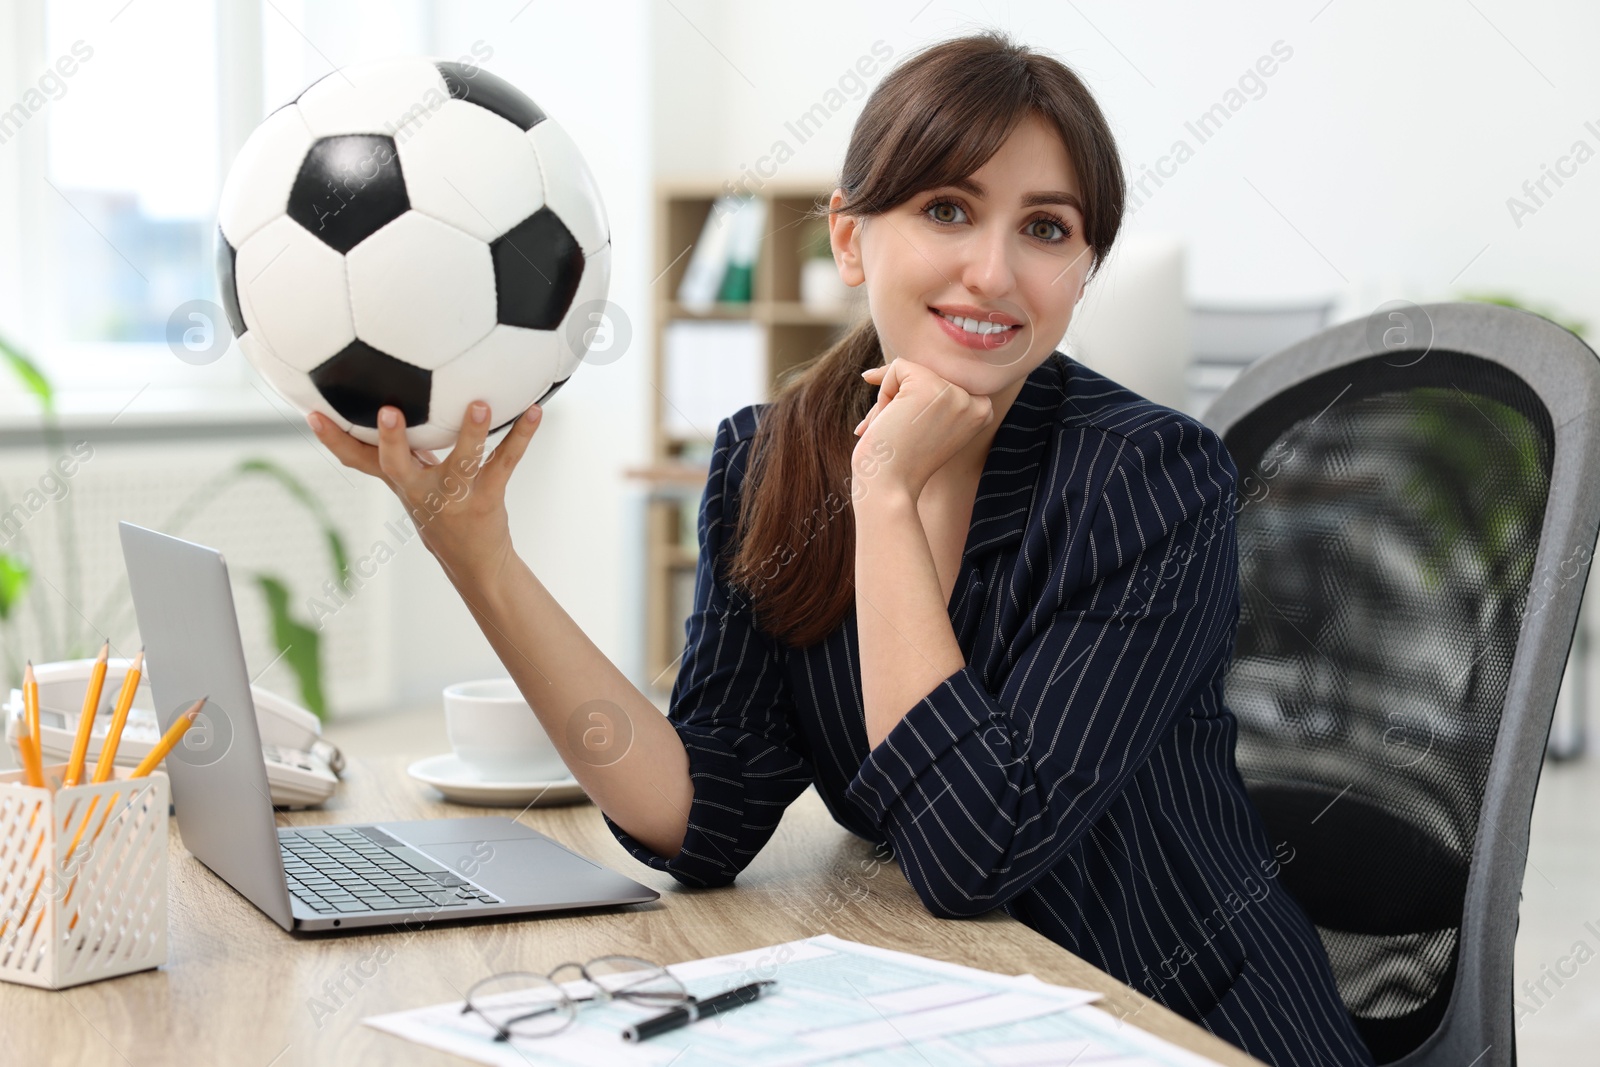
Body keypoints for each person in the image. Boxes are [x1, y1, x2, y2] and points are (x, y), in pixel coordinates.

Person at [310, 28, 1374, 1067]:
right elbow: (698, 817)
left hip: (1180, 1017)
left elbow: (973, 855)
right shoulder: (764, 458)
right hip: (957, 1006)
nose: (993, 271)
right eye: (946, 209)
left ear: (1085, 263)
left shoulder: (1150, 480)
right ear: (851, 235)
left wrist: (886, 490)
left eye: (1046, 229)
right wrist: (476, 552)